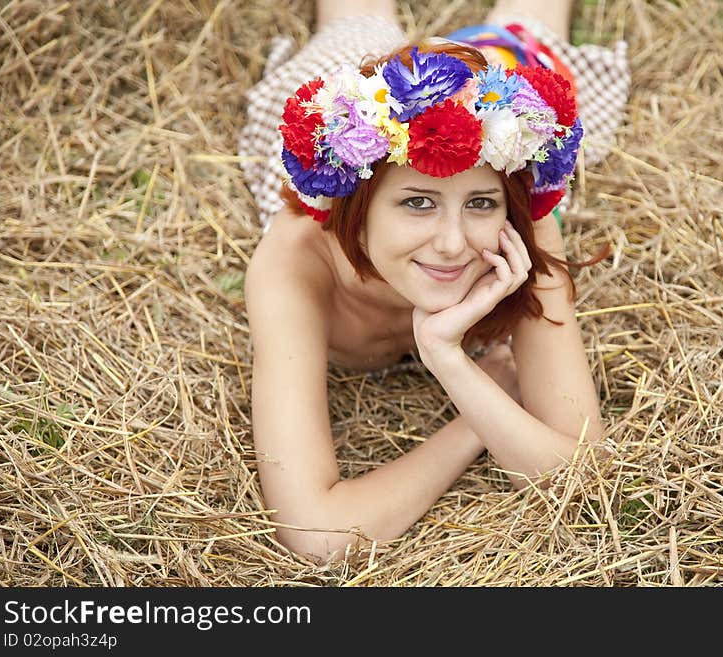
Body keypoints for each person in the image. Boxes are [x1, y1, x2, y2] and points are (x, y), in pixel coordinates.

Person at [237, 0, 630, 563]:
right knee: (353, 24)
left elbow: (583, 483)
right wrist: (480, 414)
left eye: (480, 203)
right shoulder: (293, 267)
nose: (452, 243)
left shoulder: (525, 231)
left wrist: (450, 362)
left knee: (526, 37)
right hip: (350, 110)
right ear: (356, 209)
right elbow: (319, 536)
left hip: (484, 92)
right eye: (417, 203)